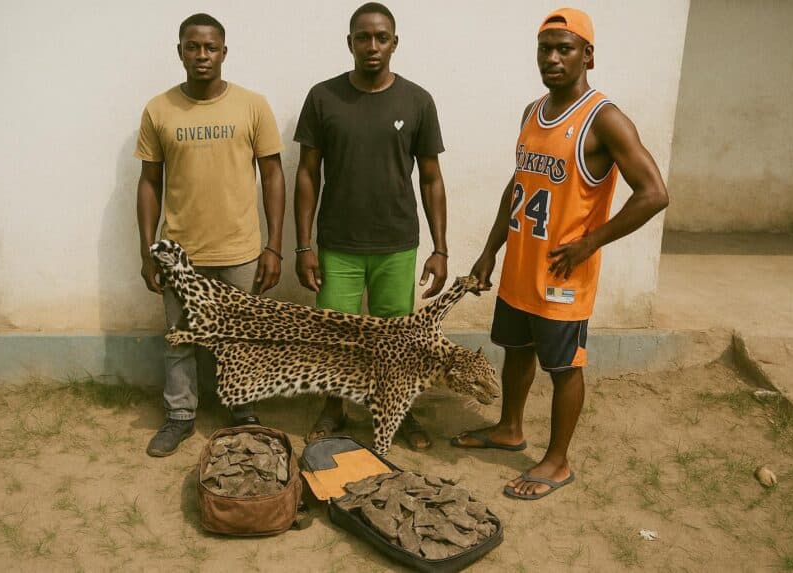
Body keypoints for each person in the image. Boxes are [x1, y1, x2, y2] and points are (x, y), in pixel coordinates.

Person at [451, 8, 669, 499]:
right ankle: (510, 428)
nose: (552, 58)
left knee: (565, 367)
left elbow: (654, 193)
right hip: (520, 265)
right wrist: (489, 250)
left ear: (587, 55)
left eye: (564, 49)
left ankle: (557, 460)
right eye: (544, 48)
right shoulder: (532, 112)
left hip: (562, 274)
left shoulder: (604, 119)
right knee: (516, 350)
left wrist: (590, 242)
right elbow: (519, 184)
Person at [293, 2, 448, 450]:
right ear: (350, 43)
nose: (372, 45)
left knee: (396, 338)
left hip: (396, 243)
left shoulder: (417, 101)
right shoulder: (323, 97)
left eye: (382, 37)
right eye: (363, 37)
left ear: (395, 43)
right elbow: (307, 174)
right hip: (338, 244)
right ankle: (334, 408)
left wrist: (440, 248)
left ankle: (399, 407)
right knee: (334, 336)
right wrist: (303, 246)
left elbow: (432, 178)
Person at [135, 13, 286, 457]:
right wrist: (147, 251)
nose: (202, 55)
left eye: (210, 47)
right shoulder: (159, 109)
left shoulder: (252, 105)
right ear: (180, 51)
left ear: (224, 52)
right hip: (180, 253)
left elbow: (273, 175)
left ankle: (243, 410)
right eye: (192, 46)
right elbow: (149, 182)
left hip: (240, 249)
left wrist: (274, 246)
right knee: (180, 339)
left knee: (242, 337)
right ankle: (180, 415)